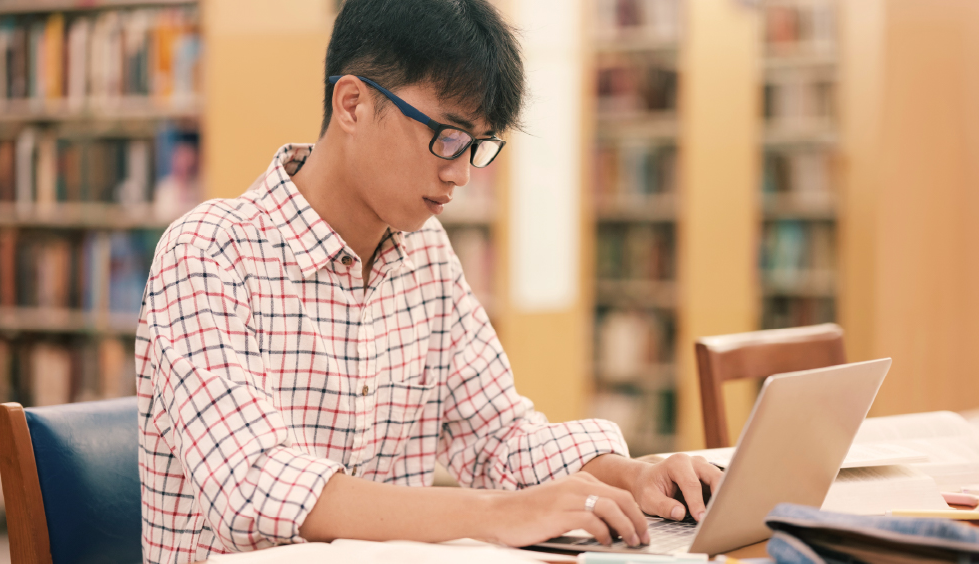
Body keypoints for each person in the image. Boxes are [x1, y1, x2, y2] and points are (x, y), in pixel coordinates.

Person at [135, 1, 721, 562]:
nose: (461, 173)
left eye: (477, 147)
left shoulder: (426, 255)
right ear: (352, 105)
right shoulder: (208, 253)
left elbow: (498, 436)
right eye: (447, 136)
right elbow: (254, 484)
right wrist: (495, 514)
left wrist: (635, 477)